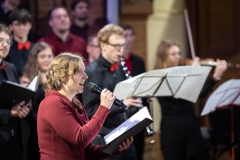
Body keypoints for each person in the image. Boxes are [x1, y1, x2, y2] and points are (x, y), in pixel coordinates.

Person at [37, 52, 133, 160]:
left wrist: (114, 149)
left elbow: (87, 151)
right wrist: (103, 108)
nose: (86, 76)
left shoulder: (75, 104)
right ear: (63, 76)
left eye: (84, 71)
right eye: (79, 72)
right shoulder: (52, 103)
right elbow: (80, 139)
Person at [154, 39, 227, 160]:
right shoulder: (159, 76)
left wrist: (216, 76)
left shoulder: (184, 71)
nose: (178, 57)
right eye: (173, 54)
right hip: (171, 128)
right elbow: (181, 94)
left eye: (179, 53)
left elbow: (200, 93)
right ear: (163, 56)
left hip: (191, 124)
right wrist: (194, 72)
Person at [82, 24, 143, 160]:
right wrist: (123, 103)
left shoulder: (119, 67)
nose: (121, 51)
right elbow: (89, 111)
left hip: (124, 136)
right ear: (103, 45)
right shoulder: (92, 72)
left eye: (123, 46)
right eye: (116, 46)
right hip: (105, 140)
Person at [0, 23, 31, 160]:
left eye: (8, 41)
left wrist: (24, 108)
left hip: (15, 137)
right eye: (1, 40)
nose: (5, 45)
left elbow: (17, 96)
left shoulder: (11, 67)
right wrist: (10, 113)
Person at [20, 42, 54, 160]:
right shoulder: (27, 80)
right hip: (34, 132)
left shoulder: (58, 80)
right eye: (43, 56)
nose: (47, 60)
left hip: (55, 132)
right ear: (35, 59)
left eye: (49, 56)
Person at [119, 23, 147, 160]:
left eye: (130, 35)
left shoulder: (138, 61)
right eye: (125, 36)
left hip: (137, 111)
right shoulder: (116, 62)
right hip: (121, 113)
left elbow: (143, 88)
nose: (128, 39)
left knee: (138, 150)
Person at [5, 8, 33, 77]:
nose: (22, 27)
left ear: (30, 26)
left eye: (24, 24)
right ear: (11, 27)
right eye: (17, 24)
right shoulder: (6, 49)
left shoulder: (36, 48)